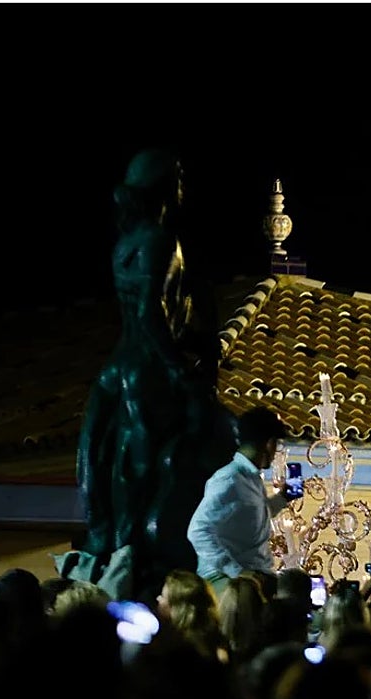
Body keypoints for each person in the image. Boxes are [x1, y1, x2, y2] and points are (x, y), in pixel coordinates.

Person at [73, 148, 234, 602]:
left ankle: (113, 547)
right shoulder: (161, 240)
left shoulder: (124, 243)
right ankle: (136, 558)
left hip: (117, 365)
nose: (184, 184)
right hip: (146, 368)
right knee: (144, 474)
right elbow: (151, 313)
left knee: (112, 468)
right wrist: (179, 369)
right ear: (164, 187)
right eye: (178, 177)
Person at [188, 407, 292, 595]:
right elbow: (198, 531)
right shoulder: (229, 480)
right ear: (269, 444)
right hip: (228, 582)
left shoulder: (251, 479)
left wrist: (283, 498)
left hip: (255, 576)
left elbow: (253, 516)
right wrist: (238, 573)